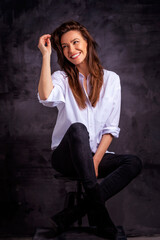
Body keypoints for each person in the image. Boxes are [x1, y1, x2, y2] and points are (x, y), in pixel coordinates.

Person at [37, 20, 142, 239]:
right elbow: (46, 97)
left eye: (75, 42)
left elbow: (111, 128)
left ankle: (71, 214)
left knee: (133, 162)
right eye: (64, 47)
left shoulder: (111, 80)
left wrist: (95, 161)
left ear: (87, 42)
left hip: (92, 156)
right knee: (77, 129)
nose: (71, 50)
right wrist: (46, 56)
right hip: (65, 157)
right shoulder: (62, 78)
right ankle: (101, 218)